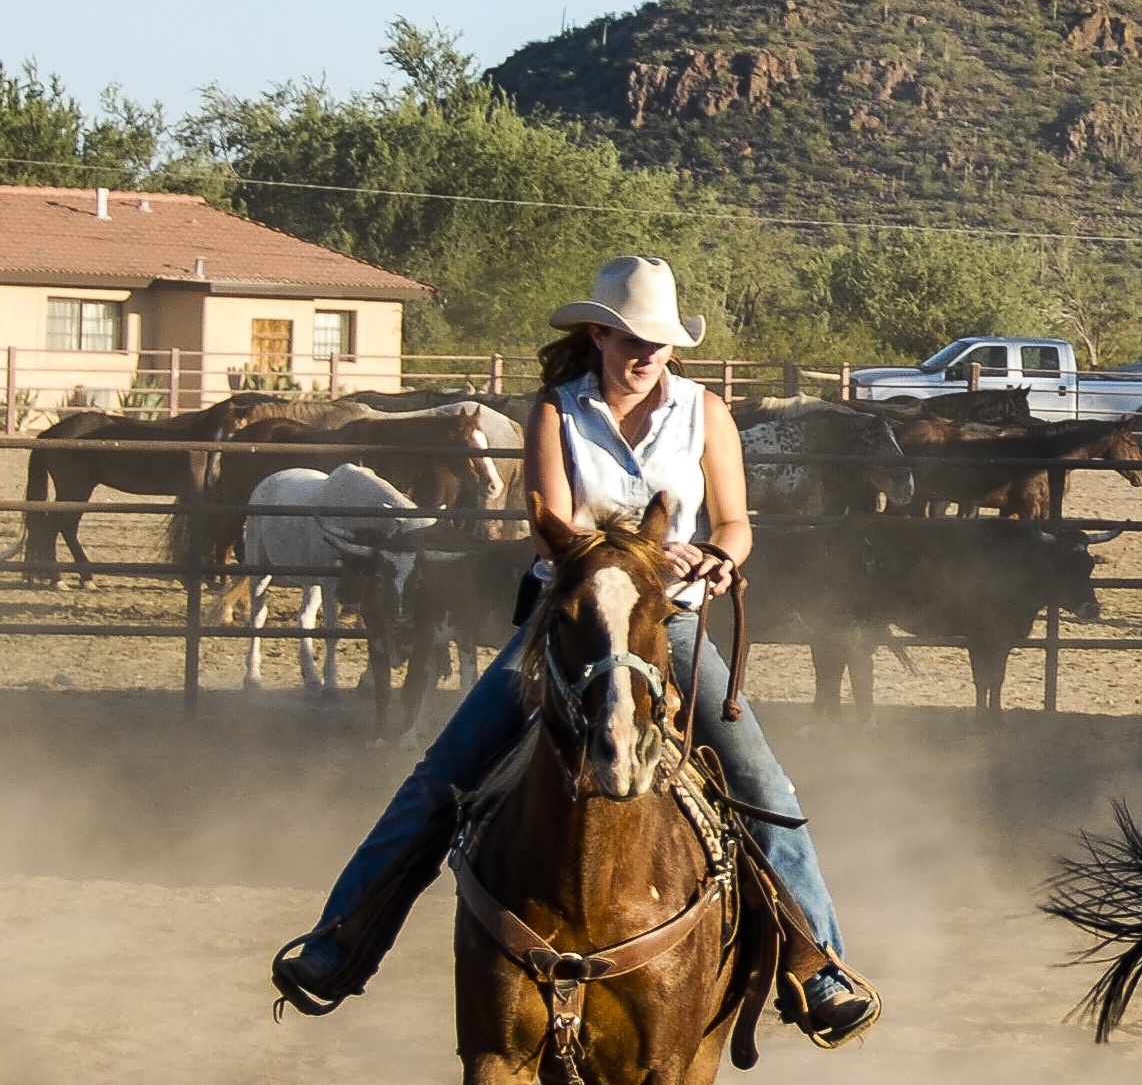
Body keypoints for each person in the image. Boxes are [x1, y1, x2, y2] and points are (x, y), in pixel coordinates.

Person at [269, 257, 878, 1044]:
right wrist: (652, 552)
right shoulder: (556, 413)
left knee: (761, 778)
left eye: (658, 339)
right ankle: (342, 939)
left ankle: (816, 963)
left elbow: (735, 523)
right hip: (570, 622)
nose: (647, 352)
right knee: (444, 772)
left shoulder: (706, 413)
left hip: (668, 625)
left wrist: (720, 557)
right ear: (598, 333)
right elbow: (551, 526)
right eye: (631, 337)